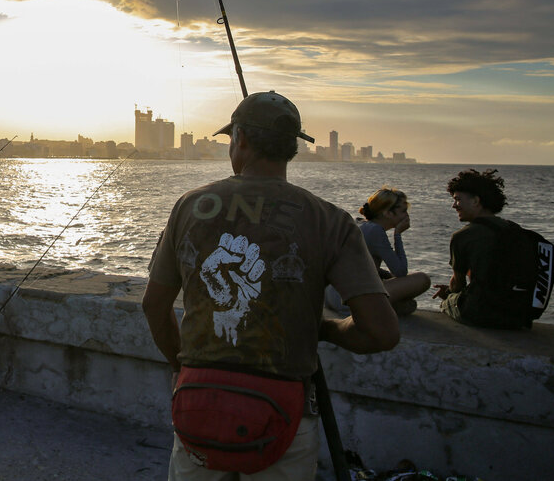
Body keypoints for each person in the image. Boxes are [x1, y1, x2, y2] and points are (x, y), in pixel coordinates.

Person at [141, 91, 399, 481]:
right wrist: (327, 329)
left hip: (198, 400)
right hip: (284, 413)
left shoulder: (189, 206)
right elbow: (380, 332)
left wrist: (183, 367)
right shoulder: (329, 219)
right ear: (292, 148)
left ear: (240, 138)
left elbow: (153, 306)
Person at [433, 169, 519, 328]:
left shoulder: (463, 236)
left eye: (457, 200)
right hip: (518, 316)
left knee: (448, 303)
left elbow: (458, 284)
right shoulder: (514, 230)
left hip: (482, 314)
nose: (454, 206)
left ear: (475, 201)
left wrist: (448, 295)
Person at [325, 187, 431, 316]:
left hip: (333, 295)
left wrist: (387, 276)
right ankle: (386, 307)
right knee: (422, 279)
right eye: (403, 211)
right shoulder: (375, 231)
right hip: (350, 299)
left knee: (407, 302)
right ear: (387, 213)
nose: (407, 216)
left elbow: (361, 266)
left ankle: (390, 306)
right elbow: (400, 272)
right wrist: (398, 235)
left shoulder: (360, 224)